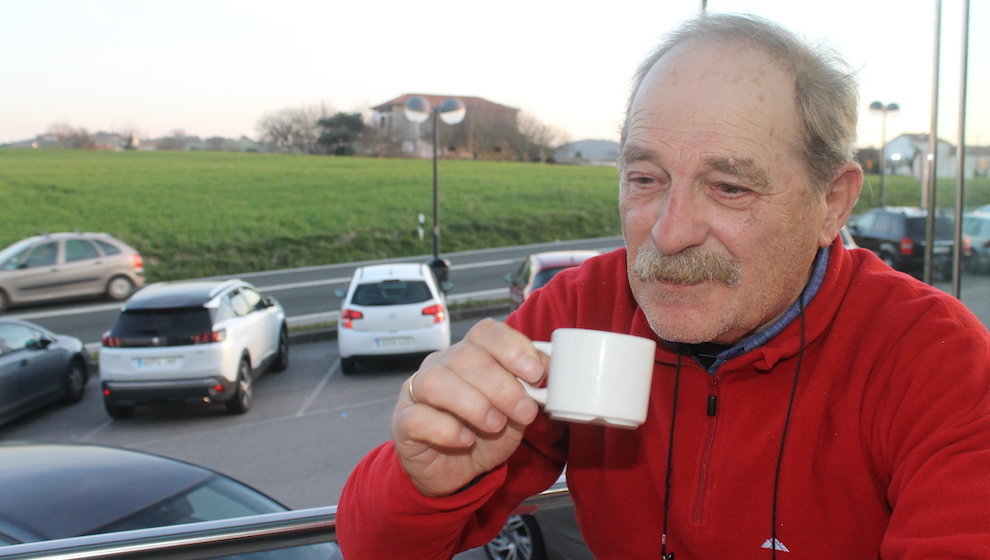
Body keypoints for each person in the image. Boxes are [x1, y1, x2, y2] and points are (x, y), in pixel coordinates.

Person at [337, 13, 990, 559]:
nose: (669, 233)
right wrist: (425, 479)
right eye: (646, 179)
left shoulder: (932, 360)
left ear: (832, 203)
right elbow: (372, 545)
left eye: (729, 187)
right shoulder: (581, 311)